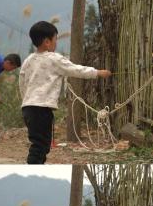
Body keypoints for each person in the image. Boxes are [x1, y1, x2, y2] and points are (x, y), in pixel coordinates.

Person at [20, 21, 111, 164]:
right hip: (42, 109)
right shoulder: (54, 59)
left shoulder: (28, 60)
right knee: (40, 145)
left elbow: (22, 82)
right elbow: (76, 70)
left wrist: (26, 101)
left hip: (28, 108)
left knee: (40, 144)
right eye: (55, 39)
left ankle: (37, 164)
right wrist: (97, 73)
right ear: (47, 42)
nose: (56, 43)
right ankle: (33, 167)